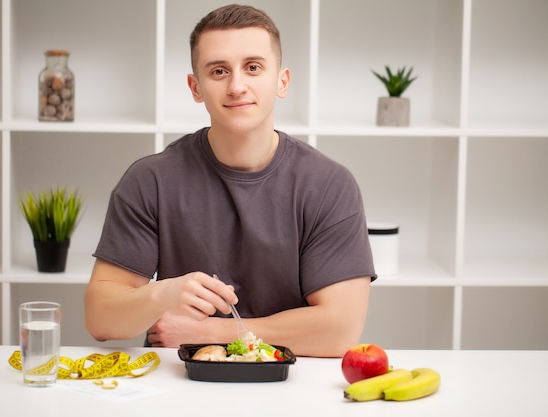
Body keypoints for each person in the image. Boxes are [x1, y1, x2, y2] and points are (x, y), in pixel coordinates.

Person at [84, 4, 376, 358]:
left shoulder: (329, 185)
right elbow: (100, 319)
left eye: (253, 68)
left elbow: (340, 330)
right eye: (219, 71)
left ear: (281, 81)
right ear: (196, 87)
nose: (237, 86)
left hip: (291, 386)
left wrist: (212, 331)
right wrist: (162, 294)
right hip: (179, 386)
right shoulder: (150, 180)